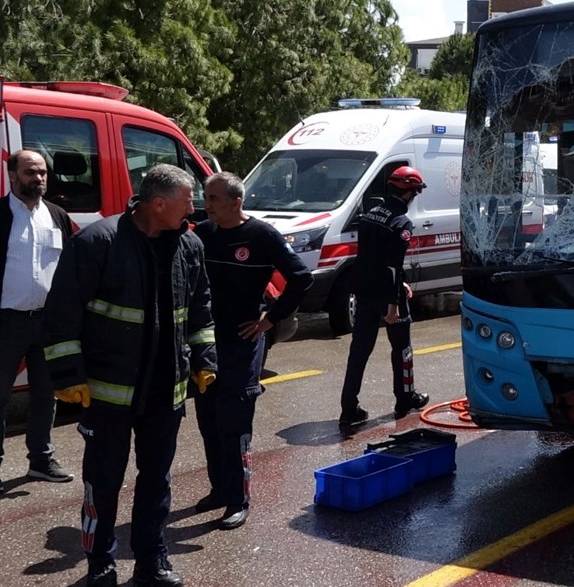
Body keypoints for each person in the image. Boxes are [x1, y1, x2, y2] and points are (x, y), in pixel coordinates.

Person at [42, 164, 217, 587]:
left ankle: (151, 561)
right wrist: (67, 374)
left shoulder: (189, 245)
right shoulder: (98, 242)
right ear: (158, 204)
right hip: (107, 397)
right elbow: (62, 311)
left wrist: (205, 358)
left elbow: (200, 307)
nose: (193, 206)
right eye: (187, 198)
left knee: (156, 481)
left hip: (164, 393)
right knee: (102, 483)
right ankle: (99, 562)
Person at [192, 172, 312, 530]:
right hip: (207, 340)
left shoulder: (261, 235)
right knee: (208, 420)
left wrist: (269, 319)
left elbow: (301, 278)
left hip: (243, 341)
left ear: (236, 202)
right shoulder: (203, 233)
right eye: (206, 197)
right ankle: (219, 489)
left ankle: (237, 499)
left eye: (213, 198)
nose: (207, 204)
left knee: (235, 422)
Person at [0, 150, 75, 492]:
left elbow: (71, 270)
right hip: (6, 322)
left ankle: (41, 461)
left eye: (43, 172)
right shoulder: (1, 215)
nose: (39, 178)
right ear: (12, 175)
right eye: (31, 172)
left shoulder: (57, 216)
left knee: (46, 394)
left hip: (47, 322)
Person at [339, 165, 430, 427]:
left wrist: (400, 284)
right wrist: (393, 303)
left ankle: (349, 408)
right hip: (387, 295)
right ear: (408, 193)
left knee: (359, 351)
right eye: (415, 192)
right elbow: (392, 265)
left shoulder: (369, 216)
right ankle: (405, 397)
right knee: (402, 348)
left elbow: (371, 258)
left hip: (365, 291)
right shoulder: (401, 223)